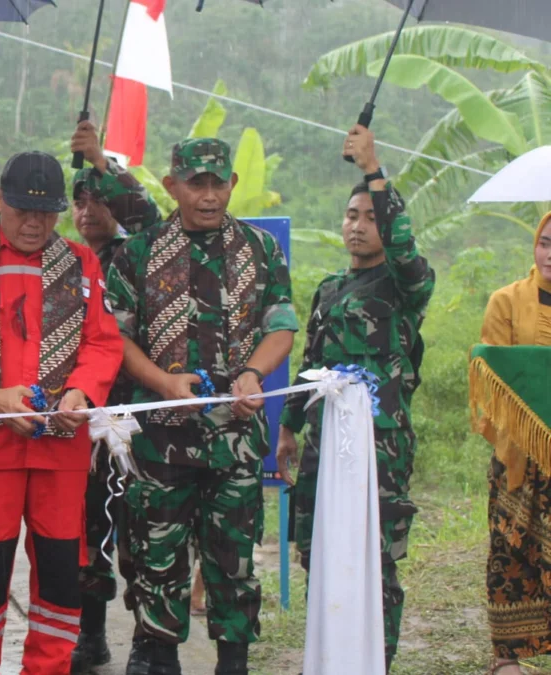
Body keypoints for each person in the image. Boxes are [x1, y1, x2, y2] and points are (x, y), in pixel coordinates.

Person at [107, 138, 298, 675]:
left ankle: (232, 661)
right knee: (158, 559)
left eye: (218, 182)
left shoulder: (260, 249)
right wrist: (162, 383)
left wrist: (252, 375)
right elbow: (114, 338)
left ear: (232, 183)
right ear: (172, 186)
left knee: (234, 562)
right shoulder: (138, 253)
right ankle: (160, 657)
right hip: (161, 439)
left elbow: (281, 323)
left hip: (235, 442)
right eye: (197, 183)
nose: (209, 195)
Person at [0, 150, 124, 675]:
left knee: (62, 575)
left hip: (61, 453)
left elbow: (103, 345)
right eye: (22, 211)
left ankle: (49, 668)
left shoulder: (82, 265)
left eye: (47, 213)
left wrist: (80, 393)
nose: (35, 223)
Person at [276, 126, 434, 673]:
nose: (359, 225)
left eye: (370, 217)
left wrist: (373, 170)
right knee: (318, 551)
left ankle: (375, 661)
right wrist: (289, 426)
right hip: (324, 449)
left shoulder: (405, 284)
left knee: (375, 558)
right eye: (351, 216)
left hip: (379, 451)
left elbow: (406, 248)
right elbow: (309, 365)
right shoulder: (328, 290)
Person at [66, 120, 161, 673]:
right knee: (87, 530)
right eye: (79, 203)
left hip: (131, 420)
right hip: (83, 417)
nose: (87, 213)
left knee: (139, 535)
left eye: (98, 202)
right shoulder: (69, 262)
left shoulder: (141, 252)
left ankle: (146, 642)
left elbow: (145, 211)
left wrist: (100, 162)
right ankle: (91, 634)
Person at [476, 210, 551, 675]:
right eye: (546, 242)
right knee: (511, 549)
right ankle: (507, 655)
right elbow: (492, 377)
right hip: (519, 457)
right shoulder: (506, 301)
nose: (550, 253)